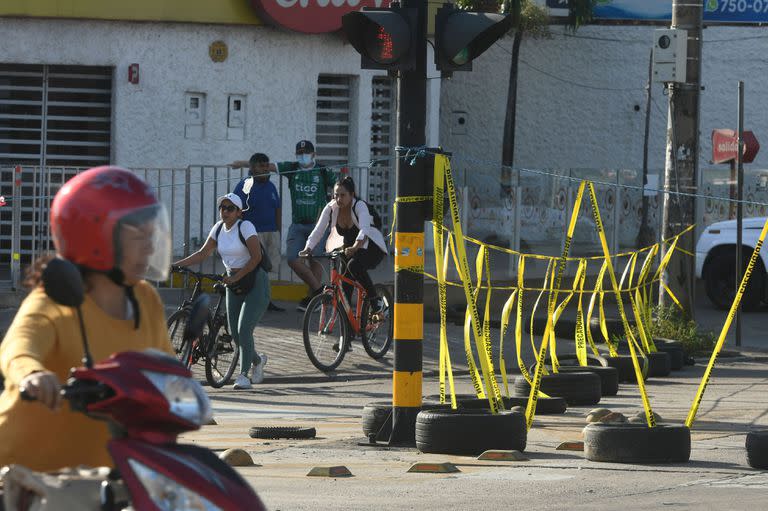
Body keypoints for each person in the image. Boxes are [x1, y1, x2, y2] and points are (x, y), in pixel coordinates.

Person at [0, 166, 174, 472]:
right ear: (95, 236)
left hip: (103, 477)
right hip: (24, 476)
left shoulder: (145, 299)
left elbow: (167, 368)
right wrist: (32, 375)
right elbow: (18, 347)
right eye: (138, 235)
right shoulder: (55, 298)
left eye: (151, 233)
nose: (150, 245)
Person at [173, 193, 269, 390]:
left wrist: (236, 276)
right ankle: (258, 361)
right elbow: (202, 253)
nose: (224, 211)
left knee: (244, 329)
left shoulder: (245, 227)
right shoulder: (218, 229)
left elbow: (256, 257)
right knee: (235, 333)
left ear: (239, 212)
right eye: (222, 208)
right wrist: (175, 265)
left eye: (230, 208)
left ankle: (243, 376)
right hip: (233, 282)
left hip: (255, 282)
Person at [231, 140, 334, 312]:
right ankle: (320, 291)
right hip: (297, 225)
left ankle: (313, 299)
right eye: (300, 153)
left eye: (306, 152)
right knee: (293, 259)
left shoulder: (323, 171)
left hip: (318, 225)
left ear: (313, 154)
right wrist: (242, 164)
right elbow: (267, 166)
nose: (303, 156)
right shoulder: (292, 168)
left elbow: (340, 187)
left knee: (314, 260)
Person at [299, 176, 387, 311]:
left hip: (371, 246)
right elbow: (318, 230)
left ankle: (375, 301)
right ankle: (348, 331)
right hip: (348, 248)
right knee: (344, 291)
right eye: (336, 195)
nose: (338, 199)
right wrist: (308, 248)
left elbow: (365, 229)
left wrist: (356, 246)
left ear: (351, 195)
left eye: (343, 195)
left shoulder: (359, 205)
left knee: (354, 265)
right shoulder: (331, 207)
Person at [233, 152, 284, 312]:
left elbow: (277, 208)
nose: (265, 169)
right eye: (261, 166)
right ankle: (248, 299)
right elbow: (235, 210)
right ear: (252, 168)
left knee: (268, 269)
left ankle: (265, 300)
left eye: (266, 165)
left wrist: (278, 230)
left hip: (271, 232)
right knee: (254, 267)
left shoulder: (271, 186)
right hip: (254, 234)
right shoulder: (244, 185)